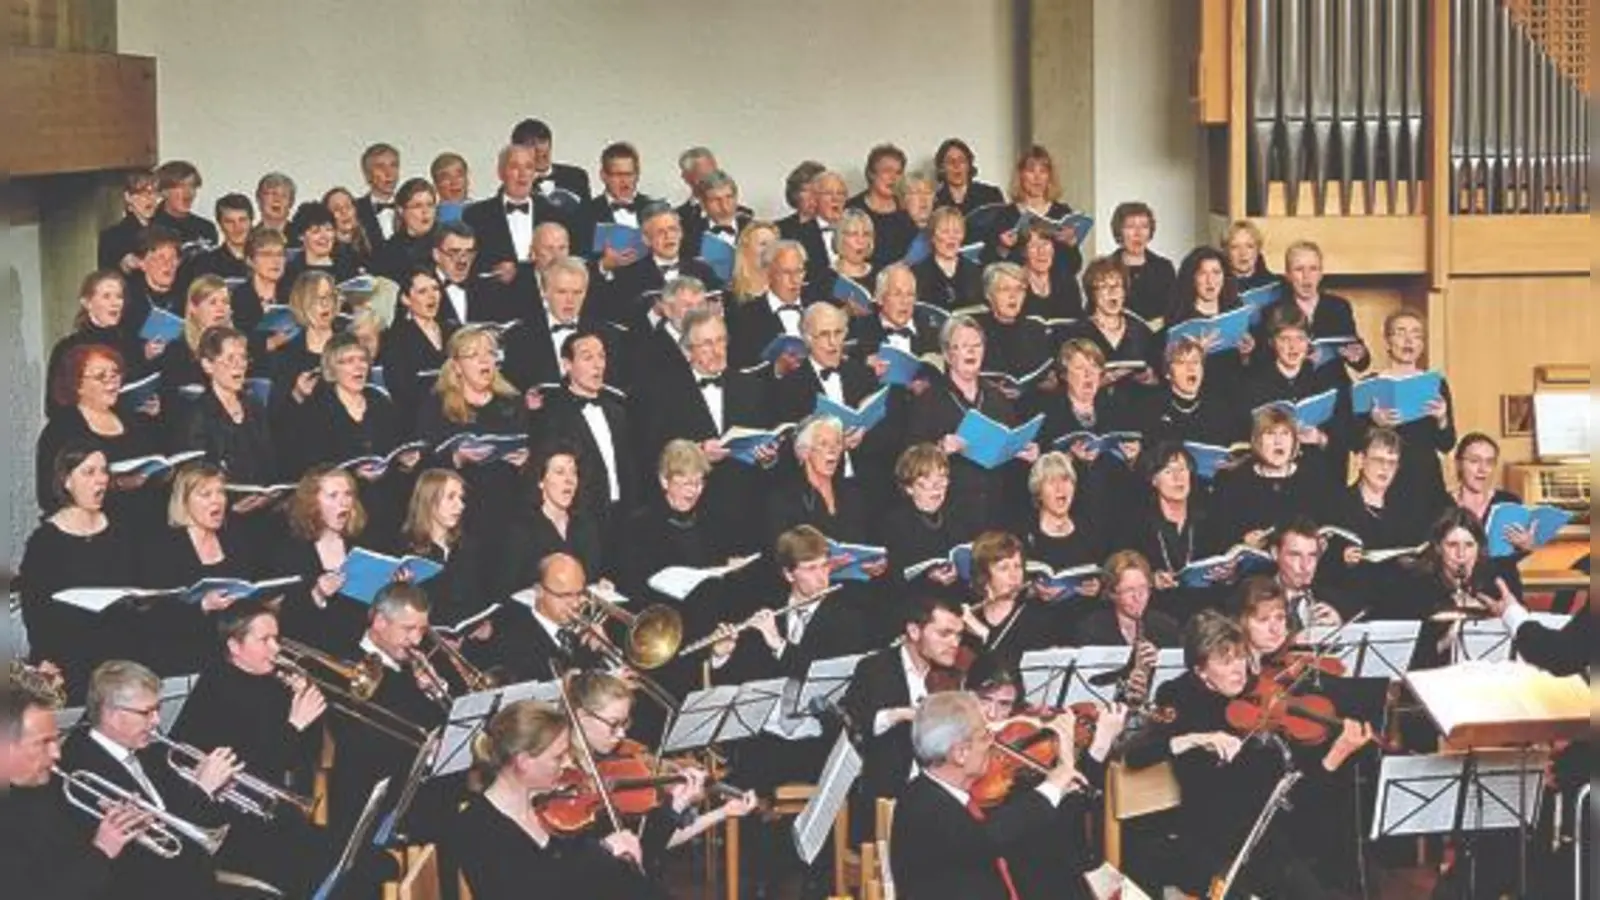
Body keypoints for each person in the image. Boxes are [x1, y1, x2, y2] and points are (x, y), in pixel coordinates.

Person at [1124, 611, 1372, 899]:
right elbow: (1137, 756)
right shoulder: (1179, 697)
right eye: (1225, 661)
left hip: (1272, 835)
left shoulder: (1257, 689)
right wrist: (1192, 739)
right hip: (1217, 840)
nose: (1238, 669)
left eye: (1241, 657)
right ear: (1200, 670)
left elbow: (1292, 783)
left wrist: (1335, 756)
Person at [170, 602, 331, 894]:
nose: (276, 649)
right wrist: (294, 725)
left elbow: (305, 756)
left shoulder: (273, 684)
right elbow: (249, 769)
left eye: (277, 639)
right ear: (235, 645)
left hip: (274, 814)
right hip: (235, 825)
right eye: (264, 640)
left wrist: (309, 716)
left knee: (353, 860)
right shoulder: (216, 690)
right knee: (327, 871)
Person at [59, 660, 239, 898]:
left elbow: (176, 811)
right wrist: (201, 789)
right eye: (147, 712)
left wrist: (204, 785)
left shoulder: (148, 750)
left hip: (194, 878)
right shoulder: (83, 770)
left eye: (158, 709)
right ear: (112, 714)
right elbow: (151, 852)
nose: (156, 721)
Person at [451, 699, 663, 899]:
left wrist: (669, 817)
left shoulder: (552, 807)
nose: (568, 764)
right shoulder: (476, 828)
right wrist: (603, 853)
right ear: (524, 762)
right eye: (558, 757)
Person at [888, 691, 1087, 900]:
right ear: (960, 754)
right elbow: (986, 838)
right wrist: (1052, 786)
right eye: (985, 736)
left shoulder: (933, 792)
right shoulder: (926, 808)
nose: (993, 743)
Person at [964, 653, 1126, 900]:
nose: (992, 715)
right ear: (966, 693)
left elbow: (1065, 814)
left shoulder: (1018, 740)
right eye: (984, 700)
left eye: (1005, 704)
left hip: (1037, 859)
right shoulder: (957, 744)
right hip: (998, 866)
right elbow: (1059, 819)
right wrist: (1088, 749)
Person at [643, 308, 779, 555]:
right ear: (687, 352)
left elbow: (770, 444)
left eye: (720, 341)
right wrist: (697, 453)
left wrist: (769, 457)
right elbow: (652, 452)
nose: (717, 350)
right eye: (706, 344)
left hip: (747, 515)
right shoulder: (663, 393)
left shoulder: (752, 388)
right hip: (693, 519)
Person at [324, 583, 449, 838]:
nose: (416, 639)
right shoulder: (346, 664)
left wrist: (434, 691)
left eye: (422, 630)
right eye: (408, 629)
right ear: (380, 622)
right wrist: (426, 752)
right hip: (371, 795)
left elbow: (443, 724)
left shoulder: (413, 662)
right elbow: (361, 743)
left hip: (416, 785)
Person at [0, 677, 140, 899]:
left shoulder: (50, 785)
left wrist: (113, 821)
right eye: (43, 743)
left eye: (57, 740)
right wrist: (101, 851)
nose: (57, 753)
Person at [18, 444, 136, 702]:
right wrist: (48, 659)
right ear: (67, 481)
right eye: (89, 472)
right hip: (70, 658)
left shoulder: (122, 529)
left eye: (104, 471)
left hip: (121, 652)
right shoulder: (45, 541)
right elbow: (36, 610)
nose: (101, 480)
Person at [906, 315, 1037, 540]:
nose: (972, 352)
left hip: (998, 509)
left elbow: (1011, 447)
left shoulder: (997, 398)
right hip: (951, 513)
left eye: (977, 346)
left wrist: (1026, 453)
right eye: (964, 346)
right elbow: (909, 458)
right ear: (947, 354)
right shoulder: (929, 400)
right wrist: (939, 448)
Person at [841, 595, 965, 815]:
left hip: (941, 795)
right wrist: (898, 715)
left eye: (958, 635)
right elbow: (855, 725)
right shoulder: (875, 669)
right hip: (888, 795)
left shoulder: (954, 675)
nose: (955, 643)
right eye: (945, 634)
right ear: (914, 631)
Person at [138, 462, 261, 674]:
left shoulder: (235, 539)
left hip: (232, 655)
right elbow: (155, 617)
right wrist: (203, 606)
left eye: (220, 492)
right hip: (182, 658)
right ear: (184, 501)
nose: (217, 501)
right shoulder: (163, 548)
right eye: (206, 494)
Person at [415, 325, 531, 550]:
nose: (485, 361)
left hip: (508, 507)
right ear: (457, 366)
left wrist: (525, 460)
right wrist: (457, 458)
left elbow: (527, 442)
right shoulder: (437, 405)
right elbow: (424, 462)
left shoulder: (511, 400)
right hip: (460, 512)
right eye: (474, 355)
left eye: (490, 353)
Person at [35, 343, 162, 521]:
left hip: (141, 523)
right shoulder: (61, 429)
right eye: (101, 376)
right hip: (92, 530)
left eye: (115, 374)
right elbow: (49, 495)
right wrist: (115, 484)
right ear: (77, 384)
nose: (112, 382)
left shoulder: (133, 420)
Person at [771, 303, 892, 486]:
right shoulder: (789, 387)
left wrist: (864, 434)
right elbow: (788, 450)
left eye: (838, 333)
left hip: (866, 484)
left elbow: (888, 434)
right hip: (816, 488)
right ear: (807, 338)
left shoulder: (863, 375)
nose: (833, 342)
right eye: (824, 334)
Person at [1324, 428, 1433, 617]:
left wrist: (1414, 562)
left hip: (1399, 603)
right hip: (1351, 602)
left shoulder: (1407, 509)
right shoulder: (1336, 504)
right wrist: (1342, 559)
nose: (1385, 468)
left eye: (1392, 463)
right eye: (1378, 460)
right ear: (1360, 460)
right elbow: (1321, 564)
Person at [536, 326, 638, 528]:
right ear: (567, 364)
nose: (598, 365)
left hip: (624, 518)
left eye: (601, 357)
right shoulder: (553, 414)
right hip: (581, 519)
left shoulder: (617, 411)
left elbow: (629, 466)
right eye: (587, 357)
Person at [1356, 308, 1456, 514]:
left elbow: (1447, 444)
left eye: (1416, 335)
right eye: (1401, 333)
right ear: (1387, 342)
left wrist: (1442, 419)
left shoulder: (1435, 384)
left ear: (1422, 345)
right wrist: (1375, 421)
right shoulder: (1369, 384)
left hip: (1424, 478)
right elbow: (1354, 442)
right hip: (1384, 479)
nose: (1408, 340)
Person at [270, 464, 372, 652]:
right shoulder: (291, 552)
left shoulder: (364, 544)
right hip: (319, 653)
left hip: (363, 650)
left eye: (348, 494)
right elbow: (287, 620)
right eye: (333, 496)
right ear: (312, 503)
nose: (344, 503)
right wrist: (317, 594)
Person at [1239, 304, 1350, 470]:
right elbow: (1243, 438)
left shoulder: (1325, 382)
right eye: (1284, 339)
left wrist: (1320, 438)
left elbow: (1346, 435)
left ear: (1308, 342)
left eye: (1300, 338)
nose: (1293, 346)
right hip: (1269, 474)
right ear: (1272, 342)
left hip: (1316, 472)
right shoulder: (1253, 384)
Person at [44, 270, 160, 420]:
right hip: (86, 436)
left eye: (119, 296)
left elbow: (137, 389)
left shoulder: (131, 344)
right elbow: (54, 406)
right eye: (106, 296)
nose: (115, 303)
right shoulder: (68, 348)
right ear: (87, 303)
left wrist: (150, 407)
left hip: (129, 433)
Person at [176, 326, 279, 490]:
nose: (240, 366)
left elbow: (270, 462)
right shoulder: (197, 414)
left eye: (243, 358)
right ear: (208, 365)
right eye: (230, 358)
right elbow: (196, 477)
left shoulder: (254, 405)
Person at [1215, 406, 1331, 548]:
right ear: (1257, 441)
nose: (1279, 441)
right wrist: (1243, 542)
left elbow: (1326, 526)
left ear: (1294, 441)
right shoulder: (1236, 480)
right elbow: (1220, 537)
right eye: (1270, 433)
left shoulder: (1313, 477)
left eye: (1285, 433)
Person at [500, 440, 606, 593]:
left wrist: (601, 584)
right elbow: (508, 589)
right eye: (560, 472)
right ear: (541, 481)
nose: (569, 480)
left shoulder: (586, 525)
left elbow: (592, 576)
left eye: (573, 472)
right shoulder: (521, 529)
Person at [1163, 246, 1256, 396]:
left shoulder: (1234, 310)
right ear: (1192, 278)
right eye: (1202, 273)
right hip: (1197, 396)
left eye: (1216, 273)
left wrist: (1246, 353)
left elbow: (1243, 369)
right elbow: (1168, 373)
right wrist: (1197, 356)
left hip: (1232, 392)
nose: (1210, 280)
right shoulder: (1180, 319)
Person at [1057, 255, 1159, 390]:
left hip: (1137, 406)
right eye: (1103, 286)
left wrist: (1150, 378)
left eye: (1117, 285)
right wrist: (1105, 380)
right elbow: (1064, 384)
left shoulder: (1141, 331)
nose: (1112, 292)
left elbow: (1159, 380)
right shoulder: (1075, 334)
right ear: (1092, 294)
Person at [960, 531, 1065, 659]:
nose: (1014, 575)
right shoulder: (970, 620)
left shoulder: (1038, 617)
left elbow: (1009, 672)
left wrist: (984, 633)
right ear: (984, 576)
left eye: (1018, 566)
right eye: (1003, 568)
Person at [378, 267, 455, 428]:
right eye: (422, 291)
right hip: (418, 420)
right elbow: (401, 389)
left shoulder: (452, 330)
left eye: (435, 289)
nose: (432, 296)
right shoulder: (395, 338)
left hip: (457, 413)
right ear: (406, 299)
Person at [1072, 551, 1181, 665]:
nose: (1138, 597)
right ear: (1112, 593)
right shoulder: (1092, 630)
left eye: (1143, 588)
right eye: (1129, 590)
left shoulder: (1166, 627)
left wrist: (1160, 660)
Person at [726, 238, 812, 370]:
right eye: (786, 272)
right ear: (767, 273)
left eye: (799, 271)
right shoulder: (744, 316)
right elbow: (740, 367)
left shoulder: (819, 307)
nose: (795, 280)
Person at [974, 262, 1053, 390]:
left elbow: (1045, 373)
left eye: (1019, 289)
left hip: (1031, 401)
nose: (1013, 296)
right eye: (1005, 289)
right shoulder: (974, 329)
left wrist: (1048, 383)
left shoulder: (1036, 328)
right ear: (988, 294)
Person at [847, 143, 916, 265]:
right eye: (887, 171)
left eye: (898, 172)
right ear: (871, 173)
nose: (893, 178)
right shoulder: (852, 209)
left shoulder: (907, 209)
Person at [1111, 201, 1176, 324]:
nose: (1138, 233)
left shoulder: (1164, 268)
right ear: (1119, 231)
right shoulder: (1107, 267)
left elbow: (1174, 310)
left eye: (1144, 227)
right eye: (1130, 227)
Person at [912, 206, 984, 310]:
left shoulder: (975, 271)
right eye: (945, 232)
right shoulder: (917, 273)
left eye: (957, 232)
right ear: (932, 236)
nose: (952, 237)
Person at [372, 178, 441, 282]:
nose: (425, 211)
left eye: (430, 205)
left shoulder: (447, 241)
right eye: (418, 206)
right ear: (401, 210)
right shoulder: (389, 251)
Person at [180, 193, 254, 289]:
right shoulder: (204, 264)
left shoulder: (266, 260)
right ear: (220, 224)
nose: (237, 228)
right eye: (229, 221)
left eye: (242, 220)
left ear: (251, 221)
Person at [511, 117, 593, 200]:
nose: (539, 149)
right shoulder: (513, 186)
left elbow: (588, 211)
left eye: (542, 142)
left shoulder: (576, 176)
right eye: (531, 144)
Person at [98, 170, 162, 274]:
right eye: (142, 193)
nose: (150, 199)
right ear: (128, 197)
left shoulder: (165, 230)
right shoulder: (112, 236)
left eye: (153, 193)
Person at [1017, 221, 1083, 323]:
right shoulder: (1015, 281)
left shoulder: (1066, 281)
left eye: (1046, 244)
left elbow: (1077, 320)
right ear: (1024, 252)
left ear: (1053, 249)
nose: (1041, 251)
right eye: (1034, 246)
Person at [153, 159, 219, 251]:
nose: (188, 193)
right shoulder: (150, 227)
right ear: (164, 192)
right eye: (181, 186)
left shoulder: (206, 228)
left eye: (192, 186)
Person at [933, 137, 1006, 214]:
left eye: (961, 160)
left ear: (969, 165)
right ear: (942, 168)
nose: (956, 166)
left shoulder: (991, 195)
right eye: (950, 161)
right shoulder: (935, 200)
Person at [354, 142, 402, 247]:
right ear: (367, 174)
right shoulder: (355, 210)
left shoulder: (410, 206)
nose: (389, 173)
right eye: (380, 167)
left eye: (393, 165)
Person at [727, 219, 779, 301]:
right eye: (763, 244)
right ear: (745, 249)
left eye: (773, 244)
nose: (769, 250)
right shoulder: (728, 296)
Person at [774, 159, 826, 239]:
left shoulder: (839, 227)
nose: (813, 197)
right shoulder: (778, 230)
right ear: (795, 193)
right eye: (806, 190)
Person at [1221, 219, 1276, 293]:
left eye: (1249, 246)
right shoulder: (1217, 289)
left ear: (1258, 249)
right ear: (1226, 251)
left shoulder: (1276, 287)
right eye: (1235, 247)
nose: (1243, 253)